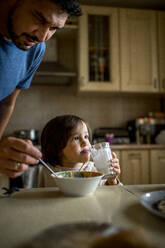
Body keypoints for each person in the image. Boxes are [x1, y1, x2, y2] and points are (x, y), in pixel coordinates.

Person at [0, 0, 82, 179]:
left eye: (54, 28)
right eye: (39, 19)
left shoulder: (35, 49)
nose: (43, 36)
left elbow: (5, 103)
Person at [38, 115, 121, 187]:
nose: (85, 142)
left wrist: (112, 180)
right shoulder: (47, 172)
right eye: (76, 138)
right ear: (58, 148)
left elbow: (113, 194)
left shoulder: (95, 169)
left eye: (86, 136)